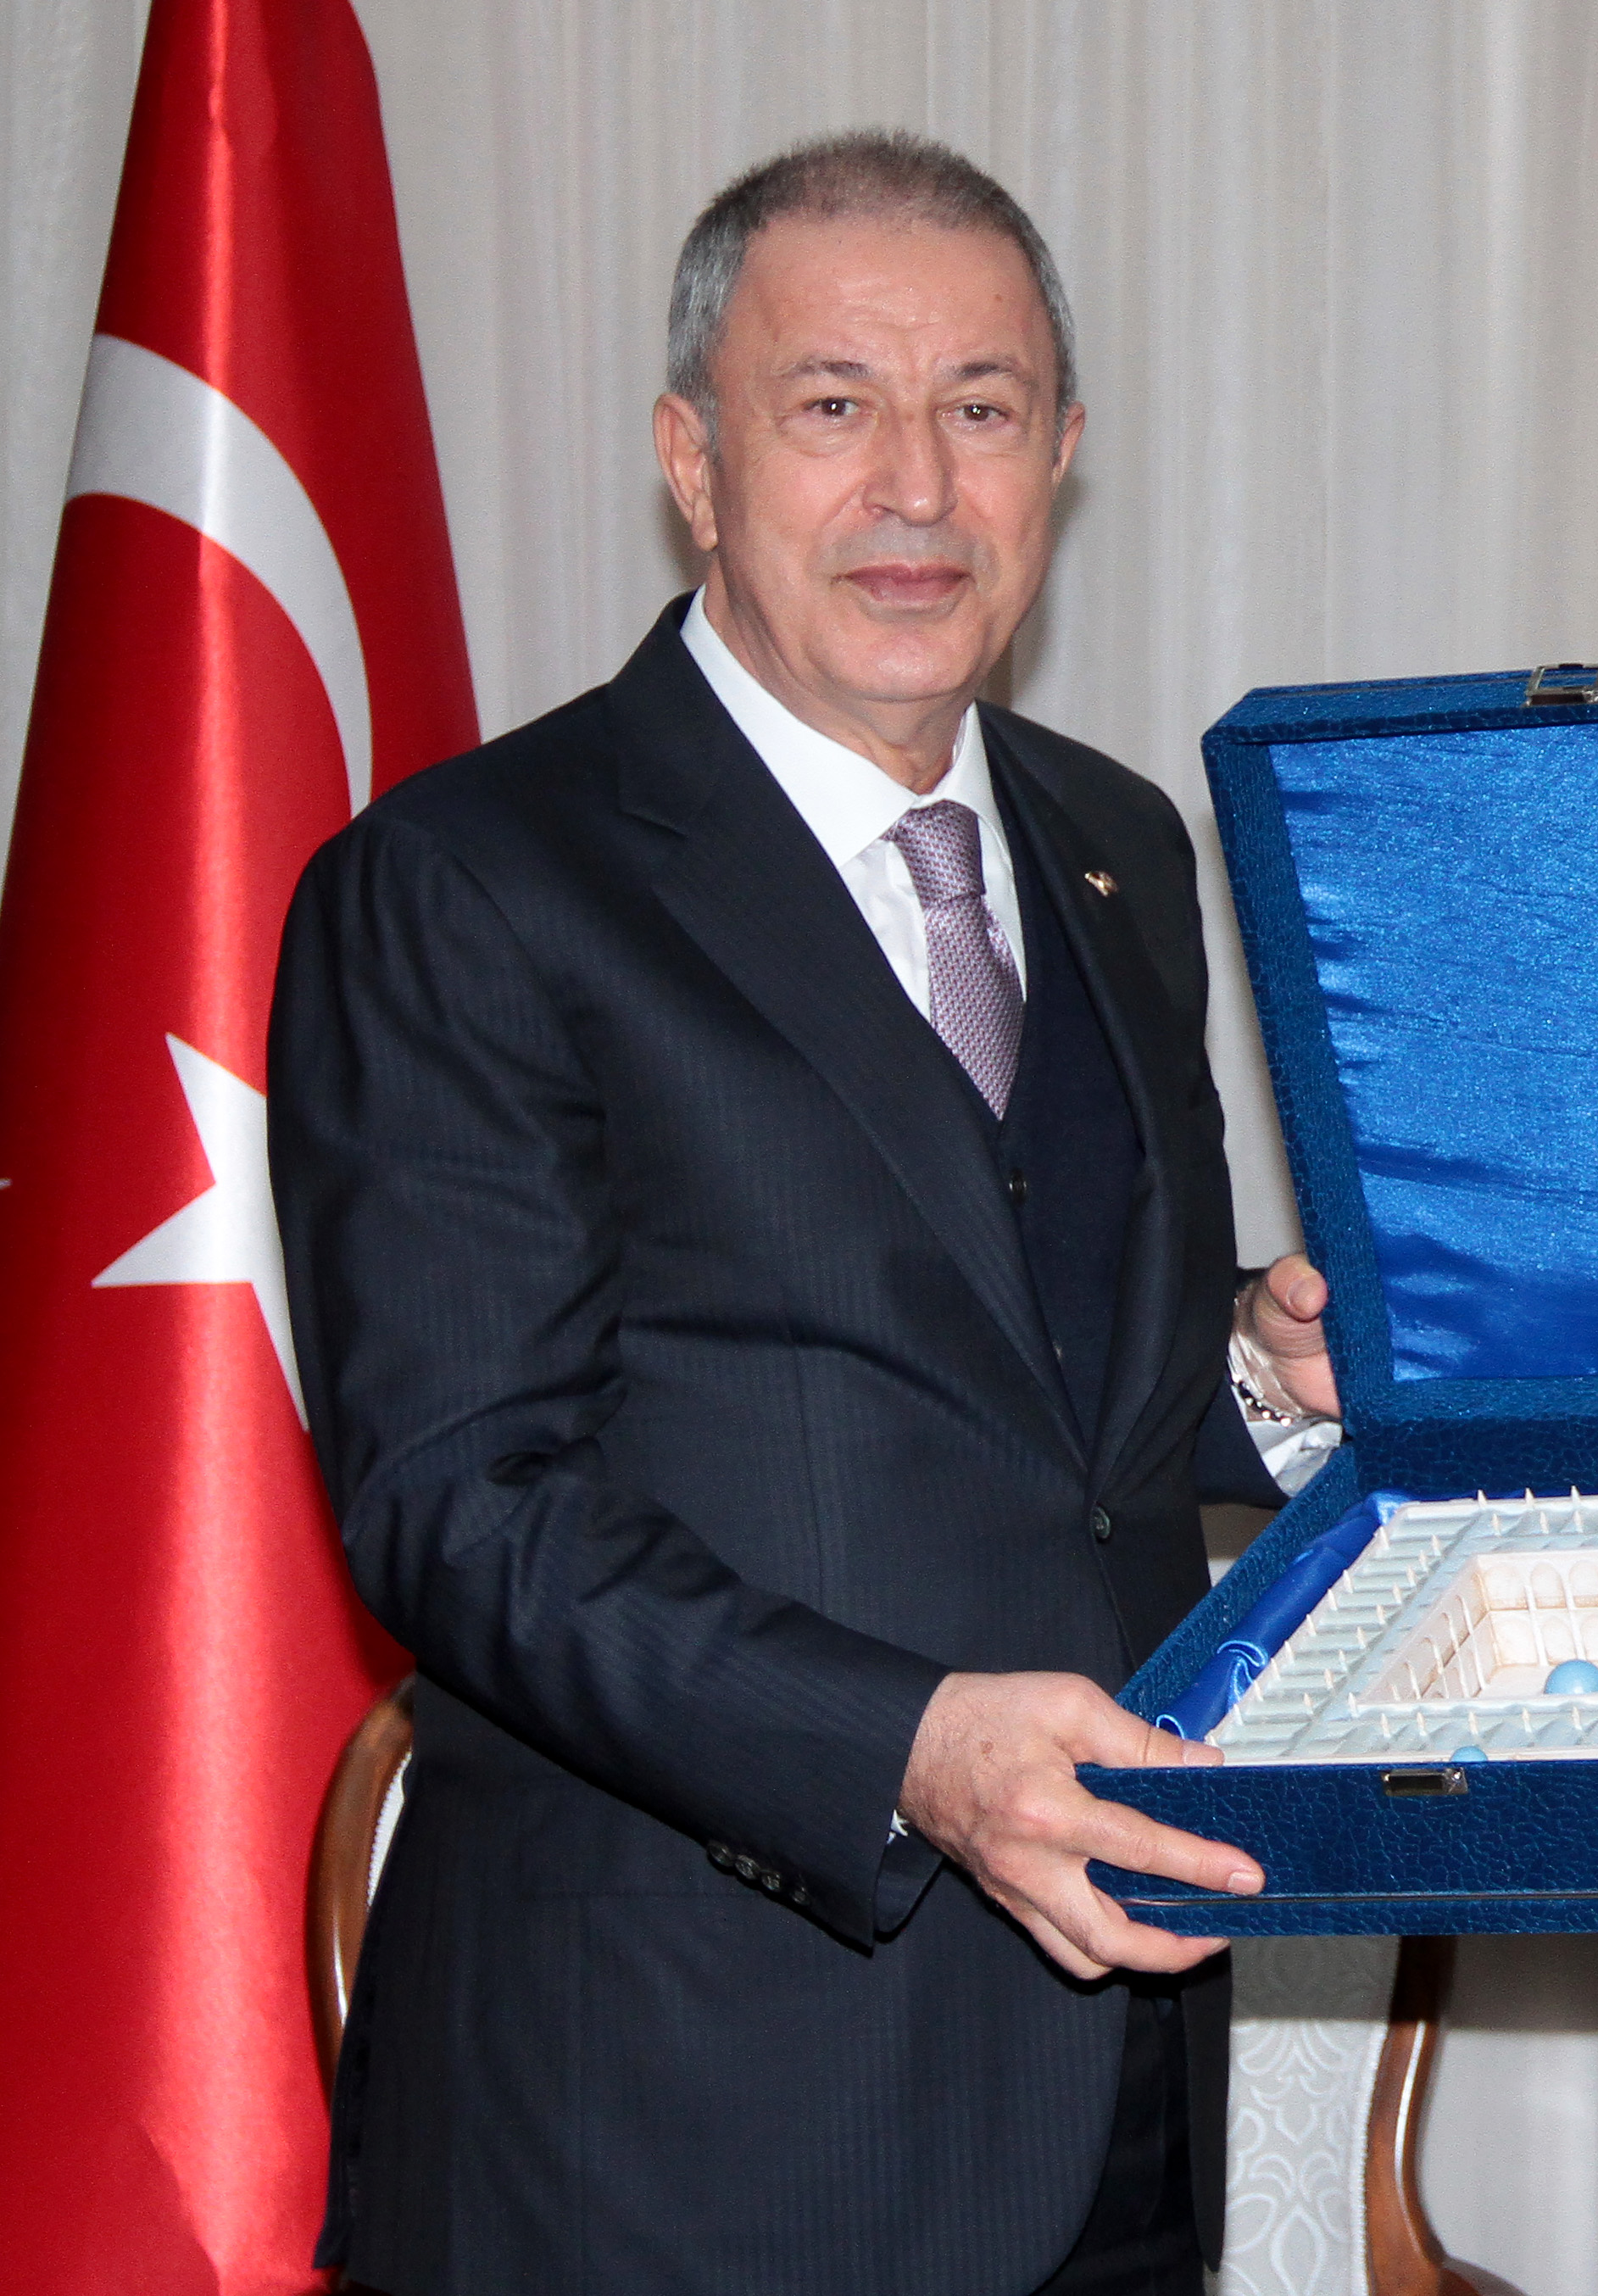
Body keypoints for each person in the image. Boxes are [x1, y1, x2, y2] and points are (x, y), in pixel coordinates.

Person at [270, 132, 1339, 2296]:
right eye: (833, 405)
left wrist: (1257, 1367)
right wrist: (909, 1751)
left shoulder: (1122, 844)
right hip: (669, 2140)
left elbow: (1045, 1385)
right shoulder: (469, 880)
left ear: (1062, 457)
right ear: (695, 460)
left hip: (1119, 2104)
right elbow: (464, 1504)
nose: (917, 488)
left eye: (982, 407)